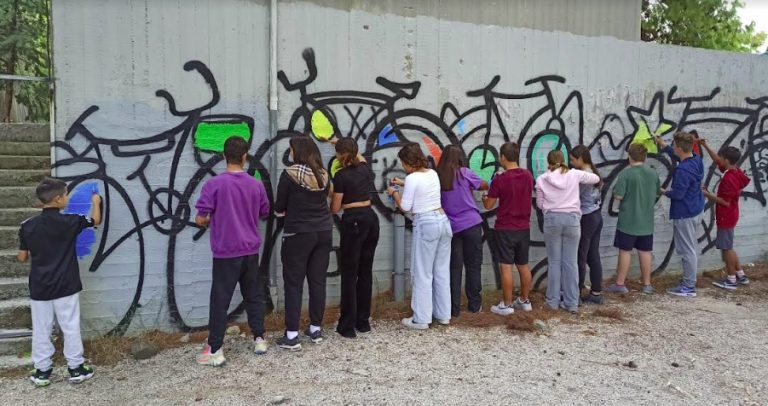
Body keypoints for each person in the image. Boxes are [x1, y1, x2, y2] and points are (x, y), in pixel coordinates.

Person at [194, 137, 271, 366]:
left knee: (220, 300)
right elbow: (264, 211)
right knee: (254, 295)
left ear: (224, 156)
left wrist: (207, 221)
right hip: (250, 249)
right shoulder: (256, 184)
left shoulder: (213, 185)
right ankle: (259, 338)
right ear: (245, 156)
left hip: (226, 252)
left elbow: (201, 217)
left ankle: (215, 350)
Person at [18, 178, 101, 386]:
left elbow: (22, 257)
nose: (67, 198)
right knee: (70, 326)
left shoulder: (27, 226)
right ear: (57, 199)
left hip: (40, 286)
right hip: (66, 284)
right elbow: (95, 221)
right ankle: (75, 368)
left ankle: (42, 372)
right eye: (65, 195)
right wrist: (96, 203)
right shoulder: (71, 221)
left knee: (41, 328)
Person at [274, 136, 334, 349]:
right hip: (324, 231)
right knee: (318, 281)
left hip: (298, 234)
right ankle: (315, 329)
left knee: (294, 283)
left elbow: (279, 207)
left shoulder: (289, 175)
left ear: (296, 152)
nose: (289, 152)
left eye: (290, 149)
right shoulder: (324, 175)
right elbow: (328, 198)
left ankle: (291, 335)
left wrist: (283, 212)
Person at [386, 143, 452, 329]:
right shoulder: (432, 173)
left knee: (422, 272)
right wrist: (403, 182)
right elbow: (422, 187)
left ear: (408, 161)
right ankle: (443, 315)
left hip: (426, 224)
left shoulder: (413, 177)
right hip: (443, 222)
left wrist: (394, 193)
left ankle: (421, 319)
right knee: (441, 271)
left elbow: (406, 207)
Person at [535, 150, 600, 313]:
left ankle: (552, 302)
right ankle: (571, 303)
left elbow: (540, 204)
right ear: (563, 160)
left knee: (554, 262)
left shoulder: (542, 179)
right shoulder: (574, 174)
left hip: (552, 220)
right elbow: (596, 178)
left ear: (548, 163)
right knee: (571, 262)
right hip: (572, 220)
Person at [330, 138, 380, 338]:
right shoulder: (365, 170)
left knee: (350, 274)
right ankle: (363, 321)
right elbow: (359, 156)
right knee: (365, 272)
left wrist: (331, 193)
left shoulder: (341, 176)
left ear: (340, 155)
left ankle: (347, 326)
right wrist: (340, 142)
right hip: (371, 219)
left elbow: (335, 208)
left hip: (353, 222)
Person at [481, 142, 535, 315]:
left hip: (505, 228)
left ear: (503, 157)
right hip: (524, 228)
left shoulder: (500, 179)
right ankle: (525, 301)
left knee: (506, 267)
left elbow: (489, 205)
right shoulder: (528, 175)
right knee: (523, 265)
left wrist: (484, 195)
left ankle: (507, 304)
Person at [436, 145, 488, 317]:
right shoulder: (465, 173)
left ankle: (453, 308)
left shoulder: (438, 177)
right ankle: (474, 305)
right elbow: (483, 185)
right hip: (472, 224)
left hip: (452, 228)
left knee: (454, 268)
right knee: (473, 265)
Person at [605, 144, 661, 295]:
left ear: (630, 156)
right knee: (645, 251)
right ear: (645, 157)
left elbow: (618, 196)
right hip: (646, 221)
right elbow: (657, 193)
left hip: (628, 221)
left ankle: (620, 283)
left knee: (625, 251)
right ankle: (647, 285)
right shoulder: (652, 173)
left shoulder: (626, 174)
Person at [658, 132, 705, 297]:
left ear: (679, 148)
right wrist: (664, 146)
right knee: (691, 248)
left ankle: (688, 286)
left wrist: (662, 191)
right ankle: (689, 281)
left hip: (684, 213)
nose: (673, 148)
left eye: (673, 145)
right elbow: (680, 158)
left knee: (687, 250)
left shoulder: (682, 171)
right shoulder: (696, 160)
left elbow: (678, 194)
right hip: (696, 209)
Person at [700, 139, 751, 290]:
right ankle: (740, 275)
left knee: (726, 248)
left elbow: (725, 202)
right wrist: (704, 145)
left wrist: (706, 194)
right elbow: (717, 160)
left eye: (722, 158)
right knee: (729, 246)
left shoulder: (728, 179)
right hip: (732, 213)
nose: (719, 160)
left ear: (727, 160)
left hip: (726, 216)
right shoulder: (735, 171)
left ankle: (731, 280)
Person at [570, 145, 605, 304]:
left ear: (580, 159)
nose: (571, 162)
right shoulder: (594, 172)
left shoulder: (584, 177)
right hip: (597, 215)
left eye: (572, 159)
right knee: (593, 255)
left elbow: (573, 194)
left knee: (580, 256)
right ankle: (596, 292)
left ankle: (575, 293)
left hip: (586, 217)